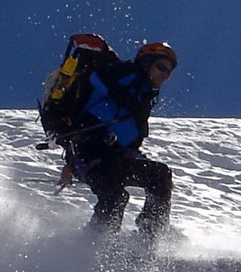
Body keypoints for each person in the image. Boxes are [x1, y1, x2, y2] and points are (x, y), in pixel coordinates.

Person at [62, 41, 178, 242]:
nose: (165, 74)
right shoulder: (124, 75)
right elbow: (97, 80)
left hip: (112, 159)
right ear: (147, 62)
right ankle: (95, 245)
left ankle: (147, 239)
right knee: (115, 197)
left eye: (169, 71)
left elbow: (128, 144)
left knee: (157, 176)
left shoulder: (140, 100)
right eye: (161, 67)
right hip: (90, 154)